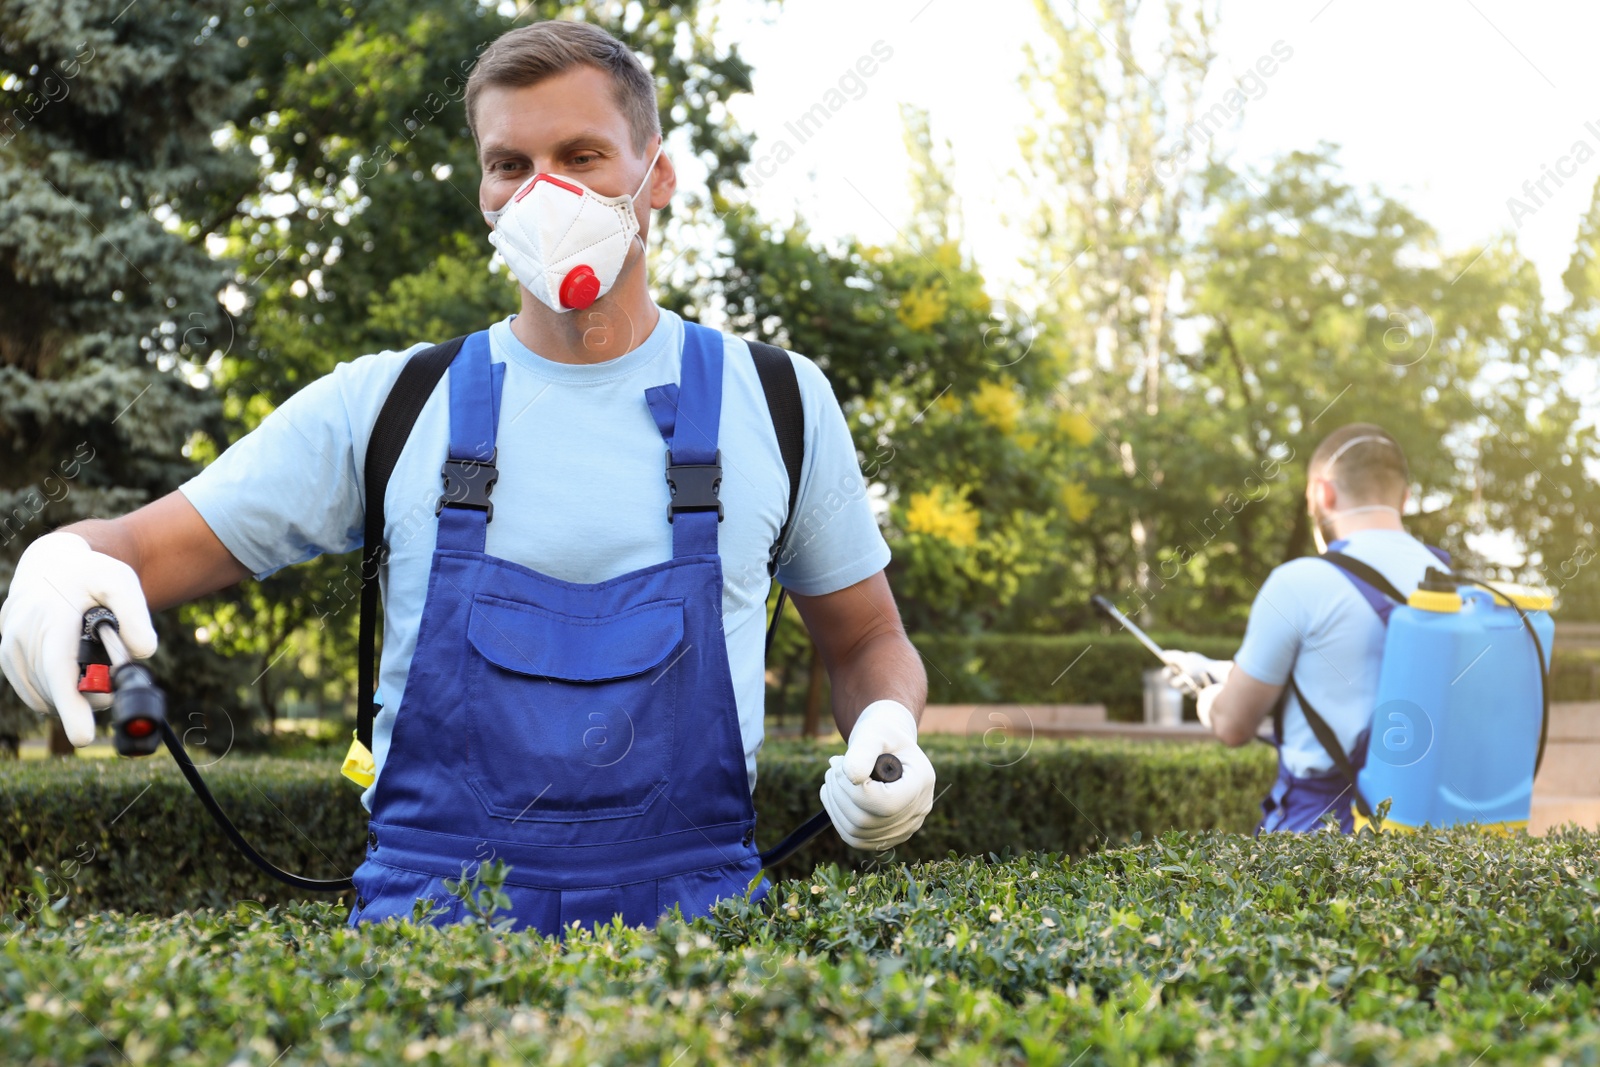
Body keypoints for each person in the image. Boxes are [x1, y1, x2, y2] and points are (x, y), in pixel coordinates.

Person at [0, 20, 935, 932]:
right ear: (484, 192)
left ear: (658, 175)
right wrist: (55, 565)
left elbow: (864, 641)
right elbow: (136, 548)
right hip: (430, 935)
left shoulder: (776, 400)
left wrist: (889, 728)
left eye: (582, 155)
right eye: (511, 166)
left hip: (699, 936)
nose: (545, 194)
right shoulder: (388, 405)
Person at [1163, 423, 1448, 833]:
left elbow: (1233, 726)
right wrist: (1214, 666)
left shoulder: (1300, 582)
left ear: (1322, 493)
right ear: (1404, 497)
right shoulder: (1452, 581)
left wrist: (1208, 698)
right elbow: (1354, 674)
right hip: (1426, 833)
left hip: (1321, 836)